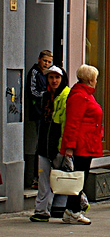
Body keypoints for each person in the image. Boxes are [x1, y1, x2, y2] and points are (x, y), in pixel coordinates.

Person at [60, 64, 104, 225]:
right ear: (91, 80)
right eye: (96, 79)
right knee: (78, 179)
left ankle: (72, 209)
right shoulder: (79, 96)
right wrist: (70, 147)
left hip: (87, 143)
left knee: (79, 178)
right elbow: (72, 123)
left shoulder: (85, 94)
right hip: (82, 145)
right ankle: (73, 210)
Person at [30, 65, 70, 222]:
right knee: (44, 179)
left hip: (58, 145)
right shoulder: (45, 96)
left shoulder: (66, 96)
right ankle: (41, 210)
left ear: (62, 79)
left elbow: (66, 123)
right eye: (51, 77)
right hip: (44, 145)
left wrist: (65, 145)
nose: (54, 80)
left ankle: (78, 202)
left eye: (57, 77)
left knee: (65, 177)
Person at [27, 50, 54, 188]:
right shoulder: (35, 72)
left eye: (49, 62)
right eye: (45, 61)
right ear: (39, 59)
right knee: (39, 143)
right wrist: (45, 95)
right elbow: (32, 91)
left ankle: (41, 176)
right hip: (38, 112)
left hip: (46, 113)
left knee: (44, 143)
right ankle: (35, 177)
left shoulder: (48, 75)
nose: (46, 64)